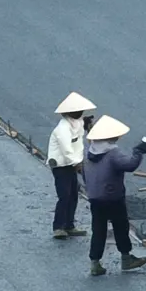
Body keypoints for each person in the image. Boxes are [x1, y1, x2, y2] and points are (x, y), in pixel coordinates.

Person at [82, 115, 146, 276]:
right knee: (121, 227)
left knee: (98, 230)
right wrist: (138, 152)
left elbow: (84, 175)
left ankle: (95, 262)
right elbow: (130, 165)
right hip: (112, 197)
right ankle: (126, 258)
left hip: (95, 197)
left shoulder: (90, 151)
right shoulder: (112, 153)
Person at [47, 92, 93, 239]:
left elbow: (79, 133)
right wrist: (78, 164)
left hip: (72, 164)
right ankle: (58, 227)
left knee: (73, 194)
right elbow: (66, 149)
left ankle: (69, 225)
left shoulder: (76, 122)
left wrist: (86, 124)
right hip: (61, 165)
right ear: (69, 113)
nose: (80, 113)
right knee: (64, 195)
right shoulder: (62, 129)